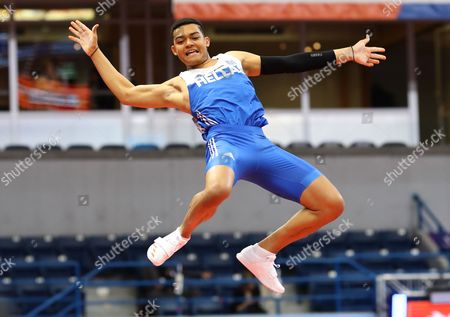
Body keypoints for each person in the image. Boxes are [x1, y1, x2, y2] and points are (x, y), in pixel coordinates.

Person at [68, 18, 386, 294]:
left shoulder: (233, 60)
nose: (188, 42)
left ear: (206, 41)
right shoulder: (180, 86)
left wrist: (348, 53)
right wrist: (95, 51)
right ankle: (180, 235)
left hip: (261, 145)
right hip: (226, 143)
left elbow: (290, 62)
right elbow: (127, 93)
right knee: (218, 189)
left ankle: (261, 253)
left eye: (194, 36)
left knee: (331, 204)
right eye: (180, 41)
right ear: (175, 51)